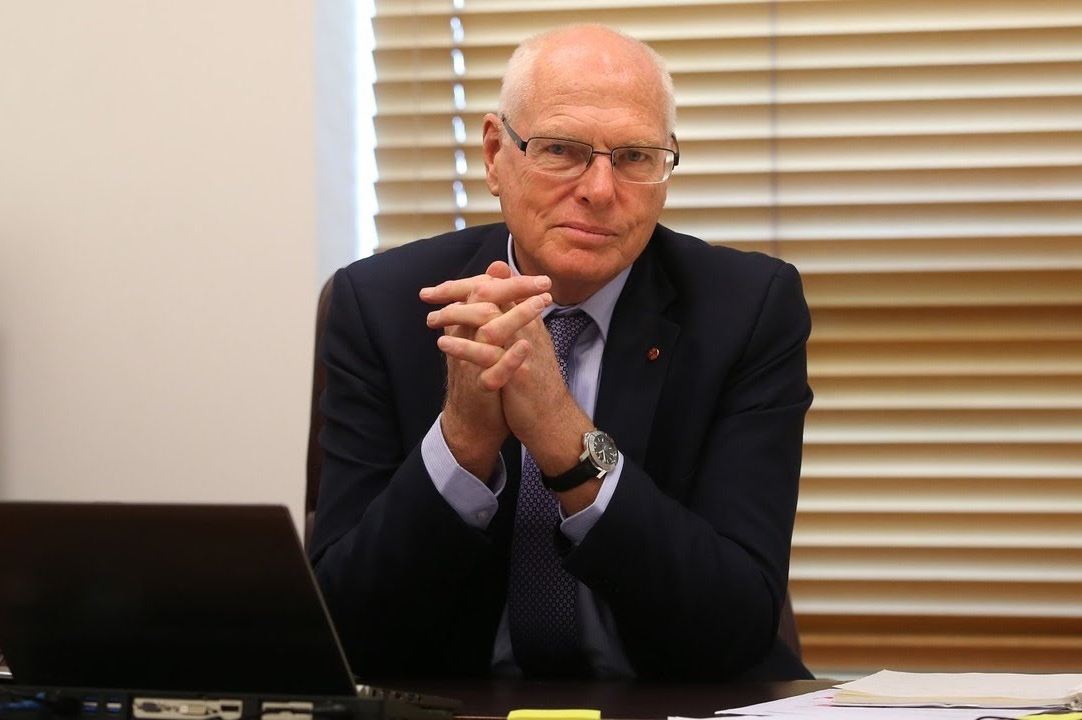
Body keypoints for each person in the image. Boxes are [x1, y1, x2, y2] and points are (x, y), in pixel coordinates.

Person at [308, 24, 812, 682]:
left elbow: (736, 626)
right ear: (496, 155)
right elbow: (342, 630)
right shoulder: (383, 307)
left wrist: (564, 436)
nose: (600, 189)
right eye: (561, 150)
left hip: (669, 702)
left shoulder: (747, 310)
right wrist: (462, 442)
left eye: (635, 157)